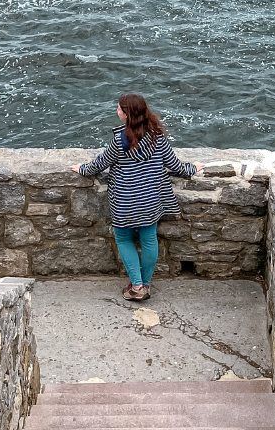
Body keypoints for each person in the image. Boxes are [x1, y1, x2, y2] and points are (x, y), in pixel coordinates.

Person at [73, 93, 201, 301]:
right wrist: (193, 168)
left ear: (127, 115)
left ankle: (137, 286)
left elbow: (98, 165)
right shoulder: (157, 137)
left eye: (119, 109)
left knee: (124, 238)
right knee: (149, 238)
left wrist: (81, 168)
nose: (117, 111)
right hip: (151, 200)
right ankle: (146, 284)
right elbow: (176, 166)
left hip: (124, 201)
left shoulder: (119, 141)